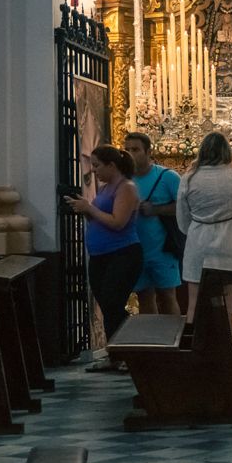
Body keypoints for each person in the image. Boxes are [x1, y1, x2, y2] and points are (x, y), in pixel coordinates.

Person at [65, 144, 143, 368]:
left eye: (97, 165)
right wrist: (84, 210)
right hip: (101, 256)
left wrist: (89, 208)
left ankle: (128, 354)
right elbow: (100, 219)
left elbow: (118, 222)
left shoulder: (126, 187)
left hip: (122, 254)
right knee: (109, 306)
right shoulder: (106, 188)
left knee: (112, 303)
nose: (94, 170)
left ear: (112, 165)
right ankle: (116, 355)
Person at [176, 131, 232, 321]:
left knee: (194, 303)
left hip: (198, 242)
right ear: (226, 151)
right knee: (227, 305)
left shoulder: (189, 178)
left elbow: (182, 219)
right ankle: (225, 340)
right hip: (228, 242)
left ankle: (194, 339)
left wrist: (197, 227)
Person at [124, 132, 182, 315]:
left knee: (167, 296)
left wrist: (156, 209)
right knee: (144, 297)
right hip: (136, 249)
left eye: (135, 149)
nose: (130, 154)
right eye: (127, 150)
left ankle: (172, 333)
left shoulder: (168, 177)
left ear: (149, 152)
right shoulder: (124, 180)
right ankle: (152, 334)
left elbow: (184, 207)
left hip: (163, 251)